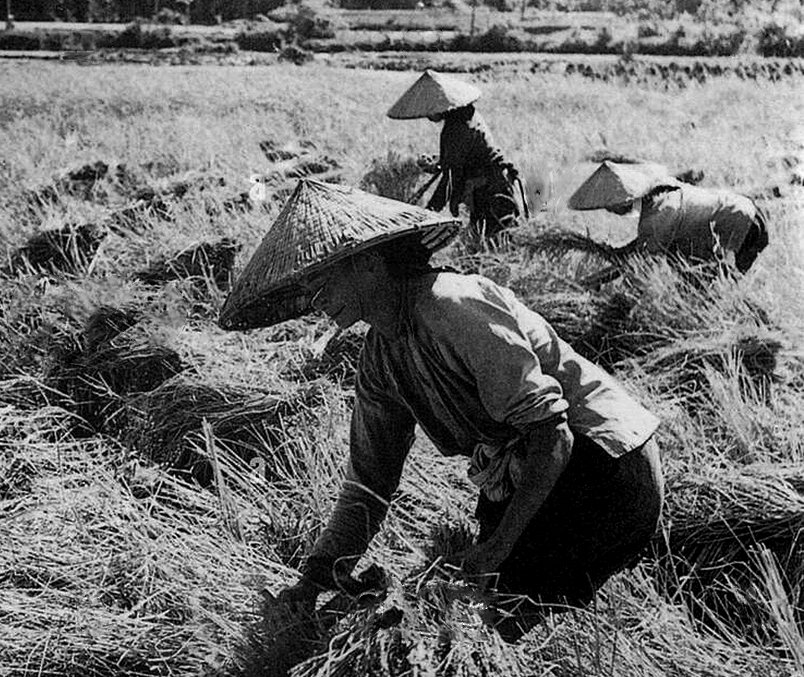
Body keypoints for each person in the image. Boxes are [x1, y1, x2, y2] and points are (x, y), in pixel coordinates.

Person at [219, 182, 663, 641]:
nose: (315, 300)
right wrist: (312, 583)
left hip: (604, 461)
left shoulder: (449, 303)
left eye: (323, 278)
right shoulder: (379, 359)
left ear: (369, 259)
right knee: (487, 612)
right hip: (541, 465)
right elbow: (368, 484)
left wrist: (497, 549)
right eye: (309, 288)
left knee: (493, 616)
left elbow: (553, 433)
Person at [388, 69, 525, 237]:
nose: (428, 116)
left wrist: (428, 214)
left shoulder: (456, 128)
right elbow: (460, 157)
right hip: (492, 181)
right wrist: (439, 163)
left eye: (430, 110)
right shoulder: (465, 113)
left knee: (496, 238)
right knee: (483, 238)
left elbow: (451, 176)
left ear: (441, 106)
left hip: (491, 186)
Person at [568, 160, 770, 273]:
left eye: (610, 206)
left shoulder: (660, 213)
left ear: (625, 200)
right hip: (746, 213)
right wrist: (616, 252)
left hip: (745, 225)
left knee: (722, 285)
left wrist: (599, 279)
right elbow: (643, 246)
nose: (610, 211)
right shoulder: (659, 195)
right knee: (692, 271)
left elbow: (641, 261)